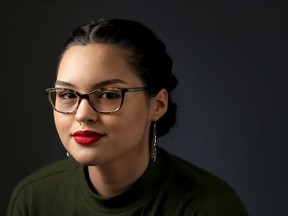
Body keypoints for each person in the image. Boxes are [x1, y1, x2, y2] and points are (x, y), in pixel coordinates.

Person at [7, 18, 248, 215]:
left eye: (109, 95)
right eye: (68, 94)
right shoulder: (34, 199)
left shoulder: (208, 207)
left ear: (158, 104)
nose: (83, 115)